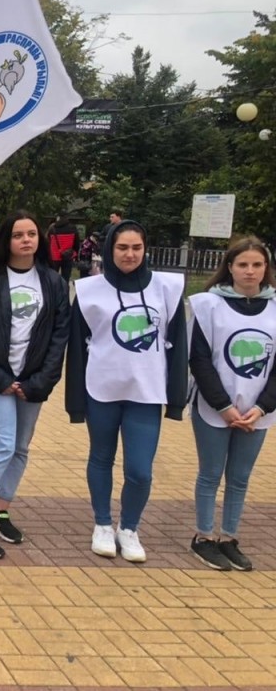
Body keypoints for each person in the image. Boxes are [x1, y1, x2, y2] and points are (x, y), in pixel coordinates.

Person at [66, 220, 187, 563]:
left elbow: (178, 346)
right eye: (122, 247)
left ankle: (129, 528)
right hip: (102, 390)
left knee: (140, 470)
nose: (130, 254)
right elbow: (76, 349)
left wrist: (176, 399)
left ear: (145, 249)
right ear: (110, 250)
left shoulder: (167, 288)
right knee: (101, 458)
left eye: (136, 247)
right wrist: (75, 403)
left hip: (146, 393)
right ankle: (103, 524)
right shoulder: (89, 291)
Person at [0, 212, 70, 559]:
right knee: (1, 445)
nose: (26, 240)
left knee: (20, 448)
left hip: (33, 381)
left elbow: (59, 336)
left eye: (31, 233)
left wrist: (40, 381)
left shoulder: (53, 282)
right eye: (18, 235)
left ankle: (0, 512)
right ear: (7, 240)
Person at [187, 237, 276, 572]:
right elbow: (199, 360)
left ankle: (229, 537)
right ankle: (204, 536)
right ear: (230, 267)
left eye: (257, 265)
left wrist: (262, 407)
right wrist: (224, 406)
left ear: (266, 268)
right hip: (215, 408)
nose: (250, 271)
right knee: (210, 474)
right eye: (243, 264)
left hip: (257, 412)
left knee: (239, 477)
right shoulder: (208, 305)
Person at [48, 213, 78, 283]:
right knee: (65, 278)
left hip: (54, 257)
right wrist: (75, 254)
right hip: (68, 256)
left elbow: (49, 241)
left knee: (53, 278)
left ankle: (54, 289)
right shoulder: (72, 228)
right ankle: (64, 289)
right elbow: (76, 243)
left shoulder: (52, 228)